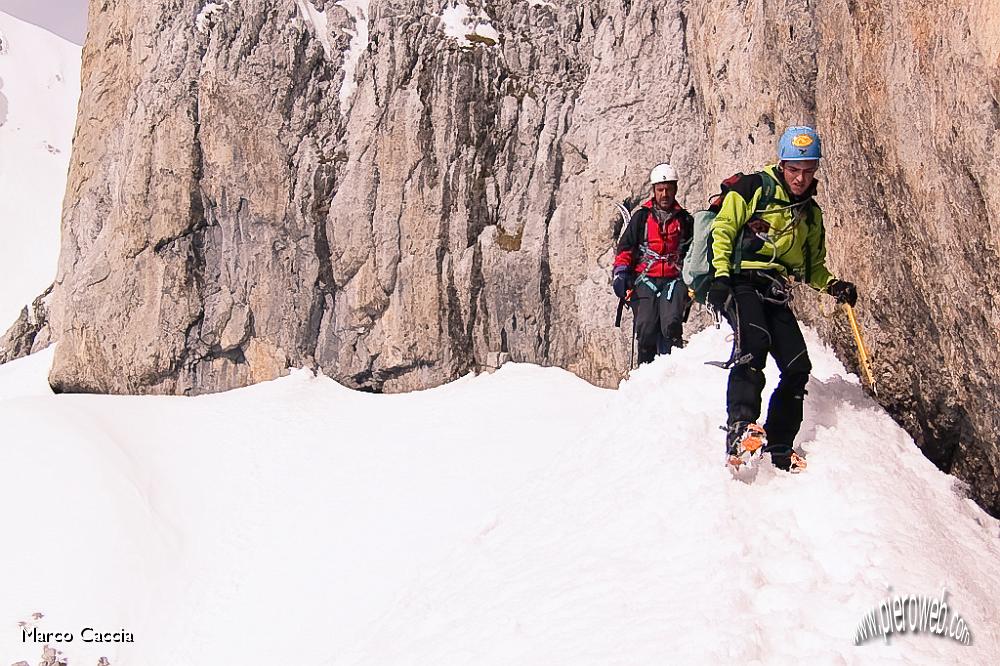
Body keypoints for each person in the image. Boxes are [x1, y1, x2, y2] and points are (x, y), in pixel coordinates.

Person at [706, 126, 858, 470]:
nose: (801, 178)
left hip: (774, 288)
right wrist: (719, 277)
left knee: (797, 366)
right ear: (782, 164)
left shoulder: (810, 214)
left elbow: (810, 267)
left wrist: (833, 285)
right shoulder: (753, 188)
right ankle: (740, 427)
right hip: (741, 279)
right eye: (794, 169)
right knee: (754, 346)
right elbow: (725, 229)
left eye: (807, 171)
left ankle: (778, 444)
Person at [612, 163, 694, 364]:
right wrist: (621, 273)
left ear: (675, 189)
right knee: (646, 327)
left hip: (673, 280)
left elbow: (693, 251)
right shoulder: (641, 218)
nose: (664, 194)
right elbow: (626, 248)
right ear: (654, 191)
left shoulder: (685, 220)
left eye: (668, 189)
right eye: (660, 189)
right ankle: (645, 372)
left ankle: (673, 371)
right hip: (645, 279)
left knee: (671, 325)